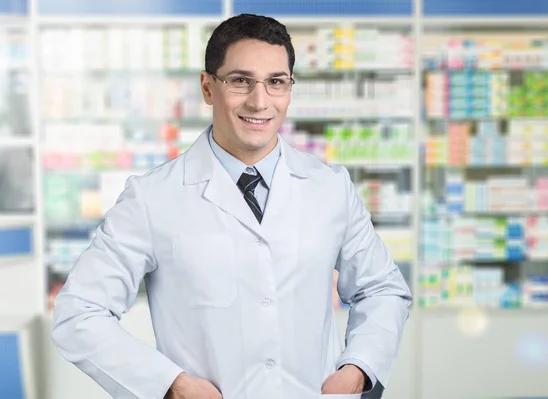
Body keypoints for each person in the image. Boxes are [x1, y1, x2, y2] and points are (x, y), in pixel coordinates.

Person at [51, 13, 412, 399]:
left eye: (276, 82)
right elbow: (78, 313)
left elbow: (382, 289)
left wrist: (357, 370)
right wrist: (170, 385)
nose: (259, 101)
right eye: (240, 81)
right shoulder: (152, 198)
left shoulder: (330, 187)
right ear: (208, 88)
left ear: (290, 88)